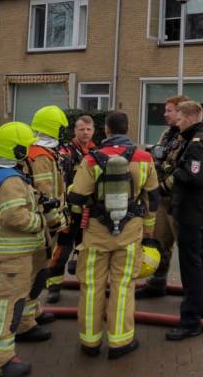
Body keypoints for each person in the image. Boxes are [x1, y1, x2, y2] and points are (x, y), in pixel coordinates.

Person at [67, 111, 160, 359]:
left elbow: (76, 197)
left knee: (91, 287)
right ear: (127, 128)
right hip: (130, 234)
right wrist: (148, 231)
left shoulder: (91, 159)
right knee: (123, 286)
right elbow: (153, 198)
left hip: (96, 235)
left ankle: (90, 342)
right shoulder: (144, 158)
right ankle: (120, 342)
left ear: (106, 130)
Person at [0, 122, 54, 377]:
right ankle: (0, 360)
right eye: (26, 147)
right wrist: (40, 221)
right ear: (17, 149)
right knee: (8, 305)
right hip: (13, 255)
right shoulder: (10, 180)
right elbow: (14, 217)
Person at [166, 100, 203, 340]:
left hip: (190, 211)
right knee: (202, 260)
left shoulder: (197, 144)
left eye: (179, 119)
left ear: (189, 118)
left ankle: (190, 321)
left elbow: (194, 177)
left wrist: (175, 171)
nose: (177, 124)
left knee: (191, 266)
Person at [136, 95, 189, 299]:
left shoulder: (189, 137)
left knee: (186, 248)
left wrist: (162, 187)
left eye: (169, 110)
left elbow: (184, 170)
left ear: (181, 112)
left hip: (178, 202)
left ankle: (192, 292)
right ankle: (157, 283)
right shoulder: (167, 134)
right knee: (159, 242)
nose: (165, 114)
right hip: (161, 199)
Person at [21, 105, 68, 327]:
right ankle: (25, 322)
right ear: (55, 128)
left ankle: (33, 311)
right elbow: (44, 192)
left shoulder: (42, 152)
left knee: (39, 270)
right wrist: (55, 221)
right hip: (44, 224)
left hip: (44, 222)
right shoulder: (40, 156)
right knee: (36, 272)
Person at [46, 115, 97, 304]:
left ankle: (87, 287)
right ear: (75, 131)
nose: (85, 133)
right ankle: (54, 287)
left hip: (88, 212)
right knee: (61, 250)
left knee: (87, 252)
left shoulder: (96, 152)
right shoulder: (65, 152)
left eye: (88, 129)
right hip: (69, 212)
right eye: (81, 129)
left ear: (93, 131)